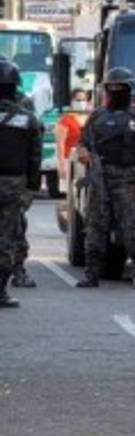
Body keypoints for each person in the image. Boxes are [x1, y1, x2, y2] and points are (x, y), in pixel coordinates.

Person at [75, 68, 135, 290]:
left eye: (120, 88)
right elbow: (83, 141)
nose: (115, 92)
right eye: (112, 88)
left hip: (128, 180)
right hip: (100, 178)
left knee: (132, 229)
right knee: (95, 228)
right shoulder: (97, 116)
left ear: (129, 90)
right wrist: (82, 151)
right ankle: (91, 274)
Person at [0, 61, 43, 308]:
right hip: (14, 185)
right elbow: (35, 157)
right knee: (7, 239)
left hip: (14, 185)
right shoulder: (27, 120)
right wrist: (31, 188)